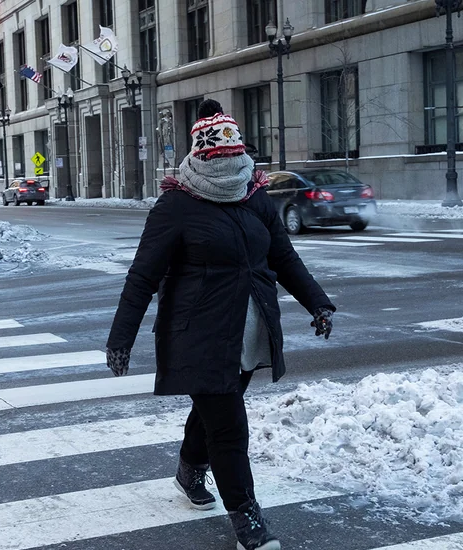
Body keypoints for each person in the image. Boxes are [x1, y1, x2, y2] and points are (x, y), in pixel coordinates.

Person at [106, 100, 335, 550]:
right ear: (204, 156)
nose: (233, 167)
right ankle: (247, 519)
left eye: (237, 157)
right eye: (223, 159)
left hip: (250, 329)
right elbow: (142, 276)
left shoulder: (255, 196)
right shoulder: (176, 204)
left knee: (215, 412)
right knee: (229, 425)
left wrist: (317, 303)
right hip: (198, 333)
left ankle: (190, 467)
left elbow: (283, 256)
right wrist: (121, 339)